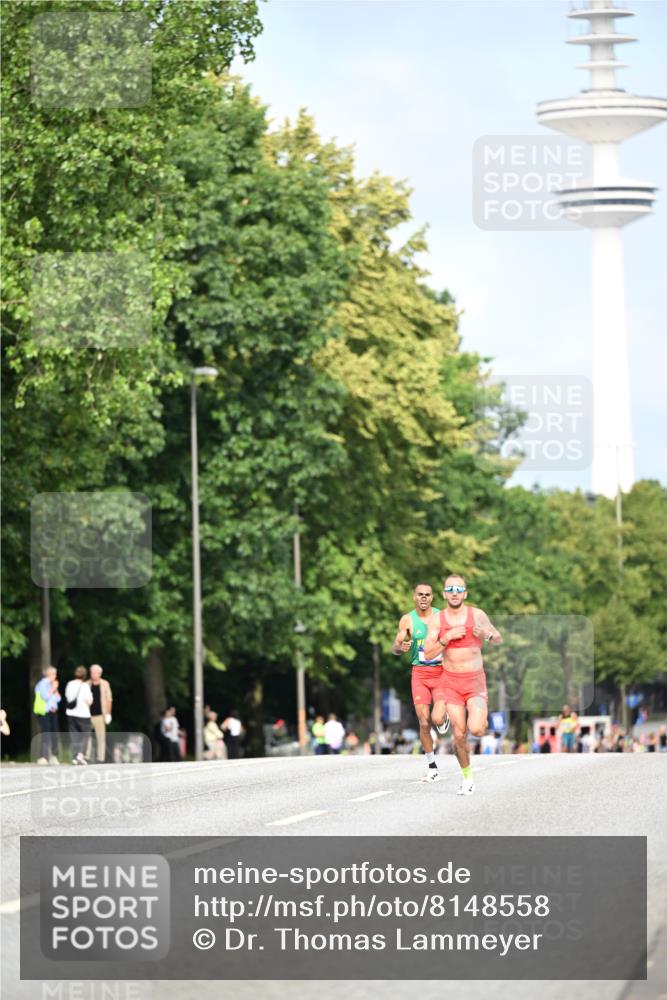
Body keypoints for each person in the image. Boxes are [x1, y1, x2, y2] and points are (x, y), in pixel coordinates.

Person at [423, 574, 501, 795]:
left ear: (465, 593)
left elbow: (498, 638)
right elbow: (428, 653)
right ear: (444, 594)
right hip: (451, 682)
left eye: (459, 589)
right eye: (450, 589)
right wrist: (446, 639)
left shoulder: (477, 615)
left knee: (476, 728)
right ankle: (467, 778)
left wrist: (486, 635)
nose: (455, 593)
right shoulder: (437, 621)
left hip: (475, 682)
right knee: (459, 735)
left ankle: (457, 720)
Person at [392, 581, 450, 784]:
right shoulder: (407, 620)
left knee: (437, 718)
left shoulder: (441, 617)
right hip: (419, 674)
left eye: (427, 594)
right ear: (414, 597)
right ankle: (432, 766)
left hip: (441, 672)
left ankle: (444, 718)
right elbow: (395, 647)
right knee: (424, 722)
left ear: (432, 597)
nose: (424, 597)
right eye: (420, 594)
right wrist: (402, 647)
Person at [64, 665, 93, 765]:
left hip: (71, 713)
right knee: (85, 735)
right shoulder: (85, 686)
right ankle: (81, 754)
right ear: (85, 675)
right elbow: (89, 701)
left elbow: (67, 697)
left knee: (74, 735)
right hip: (83, 714)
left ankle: (74, 756)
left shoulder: (69, 684)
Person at [33, 666, 62, 764]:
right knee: (46, 734)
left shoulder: (51, 684)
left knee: (54, 734)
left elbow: (58, 699)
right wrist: (53, 688)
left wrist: (55, 689)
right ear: (50, 674)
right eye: (54, 674)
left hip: (53, 712)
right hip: (44, 712)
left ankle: (54, 756)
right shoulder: (43, 684)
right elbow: (45, 697)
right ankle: (43, 757)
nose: (55, 676)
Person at [86, 664, 113, 763]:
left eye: (95, 673)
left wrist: (108, 714)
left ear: (99, 674)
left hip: (100, 715)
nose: (93, 674)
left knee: (100, 737)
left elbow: (109, 699)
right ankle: (86, 756)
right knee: (86, 736)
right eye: (92, 672)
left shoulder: (105, 684)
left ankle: (100, 758)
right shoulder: (87, 684)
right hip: (88, 714)